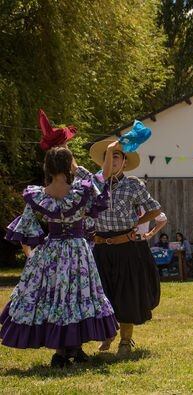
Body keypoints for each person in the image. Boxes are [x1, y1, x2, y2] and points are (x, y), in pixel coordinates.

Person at [0, 147, 117, 367]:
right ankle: (75, 348)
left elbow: (26, 229)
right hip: (77, 251)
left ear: (48, 167)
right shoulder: (81, 191)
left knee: (54, 297)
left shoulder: (39, 195)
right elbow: (104, 175)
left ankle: (62, 351)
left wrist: (31, 256)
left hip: (51, 252)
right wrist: (110, 152)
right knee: (78, 296)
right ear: (67, 165)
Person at [77, 136, 162, 358]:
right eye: (109, 156)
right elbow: (74, 171)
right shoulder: (93, 183)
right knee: (103, 294)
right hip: (100, 248)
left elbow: (154, 209)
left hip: (127, 247)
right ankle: (108, 334)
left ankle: (125, 339)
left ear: (124, 161)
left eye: (117, 156)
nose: (113, 160)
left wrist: (136, 223)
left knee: (127, 294)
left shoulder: (134, 184)